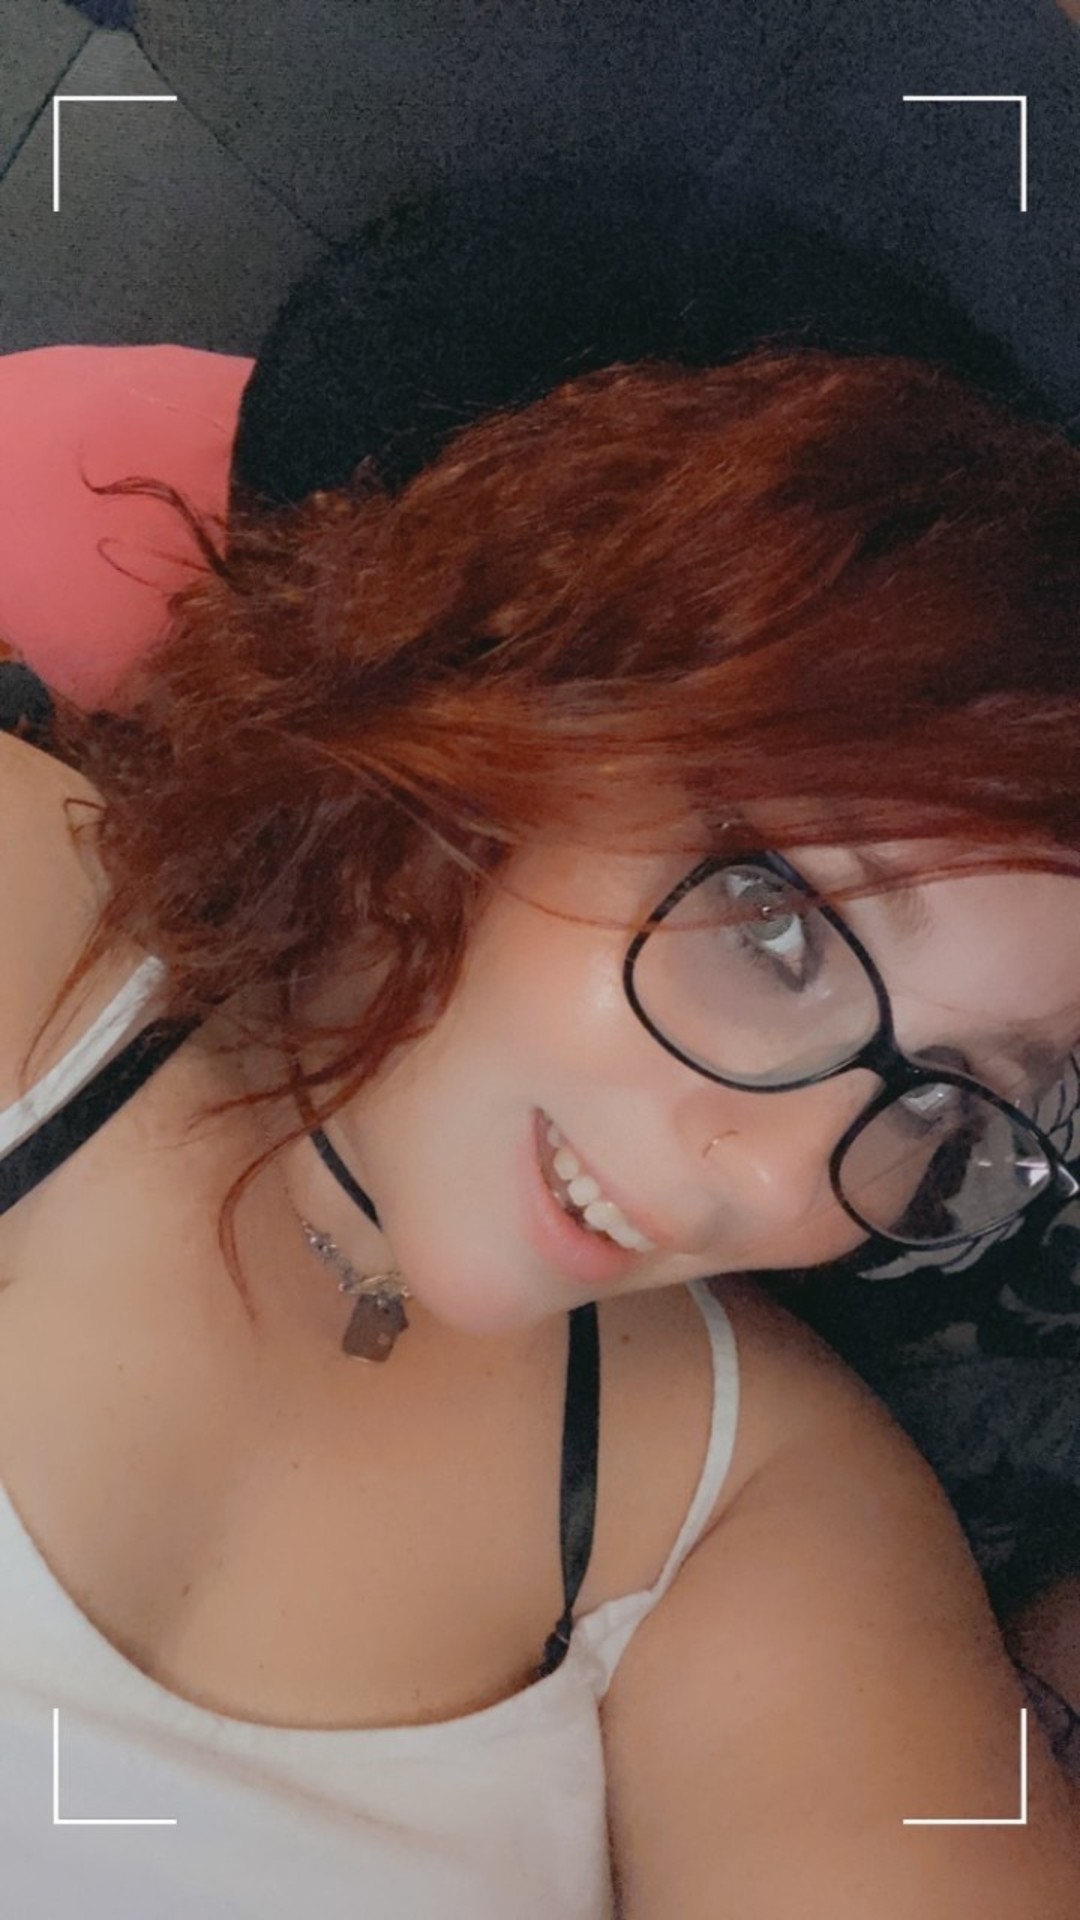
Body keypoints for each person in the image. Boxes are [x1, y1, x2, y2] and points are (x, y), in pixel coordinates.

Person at [1, 343, 1079, 1917]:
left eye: (945, 1096)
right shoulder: (29, 927)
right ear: (539, 693)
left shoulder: (764, 1513)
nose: (782, 1178)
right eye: (775, 933)